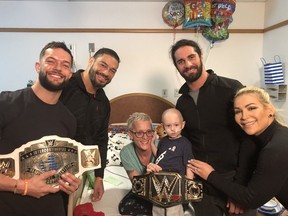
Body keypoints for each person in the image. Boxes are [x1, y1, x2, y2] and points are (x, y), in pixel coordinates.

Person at [170, 39, 257, 216]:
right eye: (181, 61)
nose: (187, 64)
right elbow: (185, 143)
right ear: (177, 66)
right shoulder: (182, 102)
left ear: (201, 57)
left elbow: (250, 139)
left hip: (235, 179)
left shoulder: (231, 89)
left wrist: (238, 190)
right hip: (203, 185)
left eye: (191, 57)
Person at [0, 41, 81, 216]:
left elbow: (63, 169)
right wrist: (24, 187)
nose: (58, 68)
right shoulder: (5, 104)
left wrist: (71, 182)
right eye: (51, 61)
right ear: (38, 66)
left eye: (65, 65)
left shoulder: (69, 120)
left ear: (70, 74)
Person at [189, 86, 288, 210]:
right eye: (238, 111)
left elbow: (251, 199)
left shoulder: (276, 147)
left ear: (270, 110)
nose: (244, 116)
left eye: (251, 108)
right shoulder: (263, 137)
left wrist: (210, 175)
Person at [60, 47, 120, 202]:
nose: (106, 73)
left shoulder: (103, 102)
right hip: (54, 163)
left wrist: (99, 177)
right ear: (91, 61)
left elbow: (101, 139)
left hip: (78, 170)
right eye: (103, 65)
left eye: (112, 70)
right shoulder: (65, 86)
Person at [146, 108, 194, 216]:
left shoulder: (185, 143)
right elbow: (159, 156)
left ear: (183, 124)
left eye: (176, 125)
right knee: (157, 207)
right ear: (163, 126)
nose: (173, 129)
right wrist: (152, 144)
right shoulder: (163, 141)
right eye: (168, 126)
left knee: (173, 209)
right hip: (159, 180)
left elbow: (189, 164)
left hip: (175, 182)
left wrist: (189, 184)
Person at [119, 112, 156, 215]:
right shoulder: (126, 153)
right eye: (139, 133)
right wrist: (148, 176)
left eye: (149, 132)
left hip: (163, 189)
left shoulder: (161, 146)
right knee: (124, 208)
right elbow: (137, 186)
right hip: (143, 190)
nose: (145, 137)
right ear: (130, 134)